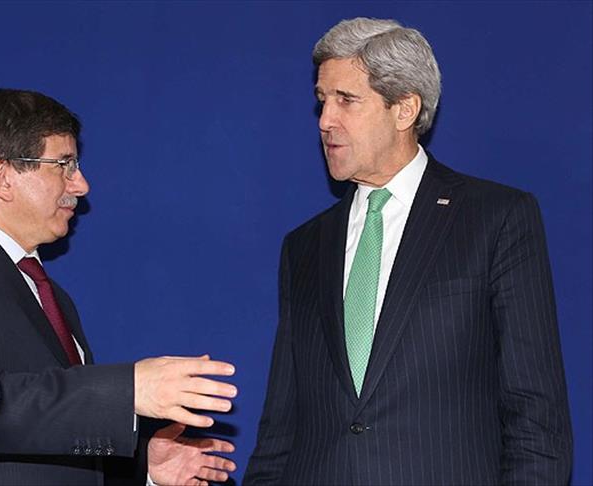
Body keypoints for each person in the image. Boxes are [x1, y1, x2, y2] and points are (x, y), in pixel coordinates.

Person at [244, 17, 573, 485]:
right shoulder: (304, 246)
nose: (325, 120)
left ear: (404, 109)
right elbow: (280, 431)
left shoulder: (495, 219)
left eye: (346, 100)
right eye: (322, 100)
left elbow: (536, 419)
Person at [0, 89, 237, 486]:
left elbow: (46, 434)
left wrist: (144, 469)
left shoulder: (49, 294)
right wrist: (129, 391)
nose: (81, 185)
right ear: (3, 177)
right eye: (64, 164)